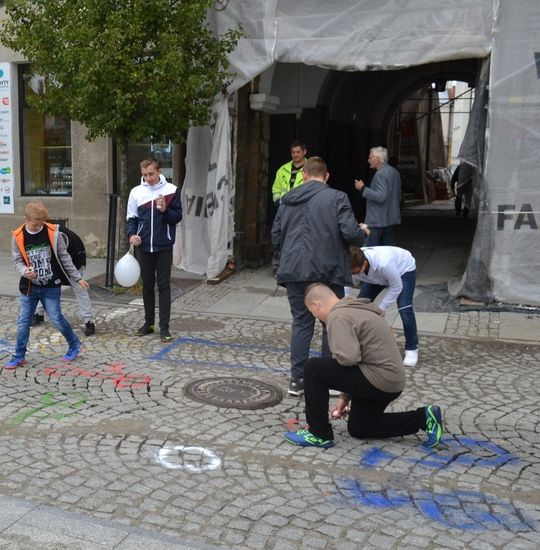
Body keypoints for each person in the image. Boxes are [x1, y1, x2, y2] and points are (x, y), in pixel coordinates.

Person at [283, 283, 443, 449]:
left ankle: (318, 433)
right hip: (391, 382)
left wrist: (344, 390)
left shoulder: (338, 316)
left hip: (378, 379)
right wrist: (345, 397)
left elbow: (349, 359)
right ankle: (423, 417)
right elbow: (354, 363)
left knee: (313, 369)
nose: (315, 317)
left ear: (316, 305)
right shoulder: (356, 308)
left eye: (312, 312)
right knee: (360, 427)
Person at [271, 156, 369, 396]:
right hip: (328, 270)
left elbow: (275, 236)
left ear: (303, 176)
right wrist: (363, 232)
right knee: (331, 323)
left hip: (295, 270)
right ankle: (329, 379)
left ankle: (297, 380)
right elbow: (351, 233)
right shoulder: (337, 198)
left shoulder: (287, 200)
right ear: (326, 176)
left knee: (301, 323)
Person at [6, 201, 89, 369]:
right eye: (35, 225)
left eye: (41, 224)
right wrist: (25, 271)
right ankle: (19, 356)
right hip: (29, 287)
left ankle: (74, 344)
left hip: (51, 285)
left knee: (56, 318)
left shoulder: (53, 233)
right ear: (26, 219)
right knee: (23, 321)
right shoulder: (18, 236)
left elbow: (64, 257)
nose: (38, 227)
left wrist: (76, 277)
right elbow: (17, 261)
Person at [127, 156, 182, 342]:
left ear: (159, 172)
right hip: (144, 247)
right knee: (147, 286)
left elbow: (178, 217)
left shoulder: (171, 190)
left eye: (151, 174)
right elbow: (131, 218)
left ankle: (164, 328)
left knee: (164, 286)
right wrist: (131, 235)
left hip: (164, 246)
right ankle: (148, 323)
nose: (148, 178)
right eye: (144, 174)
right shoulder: (136, 192)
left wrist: (165, 210)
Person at [351, 246, 419, 367]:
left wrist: (381, 308)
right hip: (375, 277)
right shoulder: (350, 263)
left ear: (364, 264)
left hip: (402, 270)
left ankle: (412, 348)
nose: (354, 275)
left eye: (356, 272)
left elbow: (396, 286)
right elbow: (346, 282)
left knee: (404, 308)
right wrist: (344, 302)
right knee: (359, 306)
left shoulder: (384, 263)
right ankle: (360, 344)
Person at [31, 226, 96, 336]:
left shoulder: (70, 242)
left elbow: (67, 262)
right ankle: (39, 313)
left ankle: (89, 321)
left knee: (80, 289)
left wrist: (77, 278)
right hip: (53, 261)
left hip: (74, 261)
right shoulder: (41, 233)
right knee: (45, 285)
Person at [354, 146, 401, 246]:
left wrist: (362, 189)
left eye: (370, 158)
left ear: (377, 159)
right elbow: (397, 195)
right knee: (387, 249)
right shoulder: (394, 172)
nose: (368, 160)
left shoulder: (380, 174)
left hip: (377, 220)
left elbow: (381, 196)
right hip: (390, 218)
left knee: (372, 249)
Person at [271, 139, 307, 207]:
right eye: (293, 152)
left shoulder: (311, 168)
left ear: (304, 152)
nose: (295, 155)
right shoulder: (282, 169)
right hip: (283, 207)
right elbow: (276, 189)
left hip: (302, 208)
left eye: (298, 152)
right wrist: (277, 202)